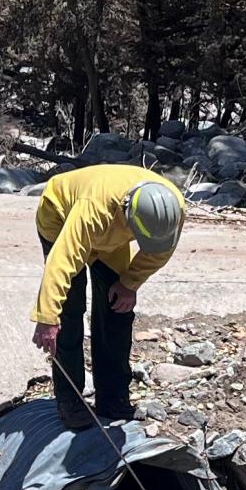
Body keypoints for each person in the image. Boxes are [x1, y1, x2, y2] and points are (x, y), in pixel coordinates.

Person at [30, 164, 185, 429]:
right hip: (61, 217)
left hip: (112, 237)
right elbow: (63, 260)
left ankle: (113, 399)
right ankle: (72, 402)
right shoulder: (94, 210)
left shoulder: (172, 209)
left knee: (117, 311)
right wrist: (47, 316)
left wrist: (130, 282)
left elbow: (160, 251)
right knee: (68, 312)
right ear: (128, 215)